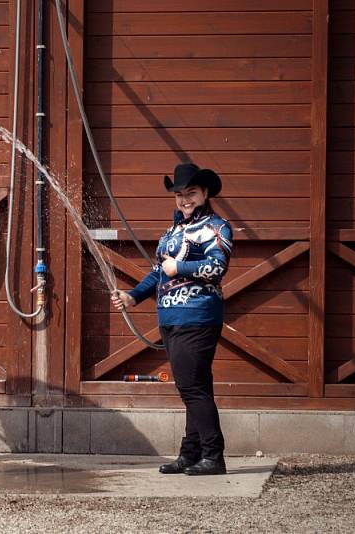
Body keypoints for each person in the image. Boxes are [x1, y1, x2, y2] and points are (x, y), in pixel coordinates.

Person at [112, 162, 233, 476]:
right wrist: (133, 296)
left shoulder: (217, 227)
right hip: (170, 316)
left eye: (190, 192)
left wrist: (180, 269)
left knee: (191, 388)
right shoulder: (172, 233)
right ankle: (191, 454)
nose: (184, 199)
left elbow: (217, 267)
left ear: (205, 193)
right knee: (197, 387)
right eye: (179, 194)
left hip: (198, 315)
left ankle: (213, 455)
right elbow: (157, 272)